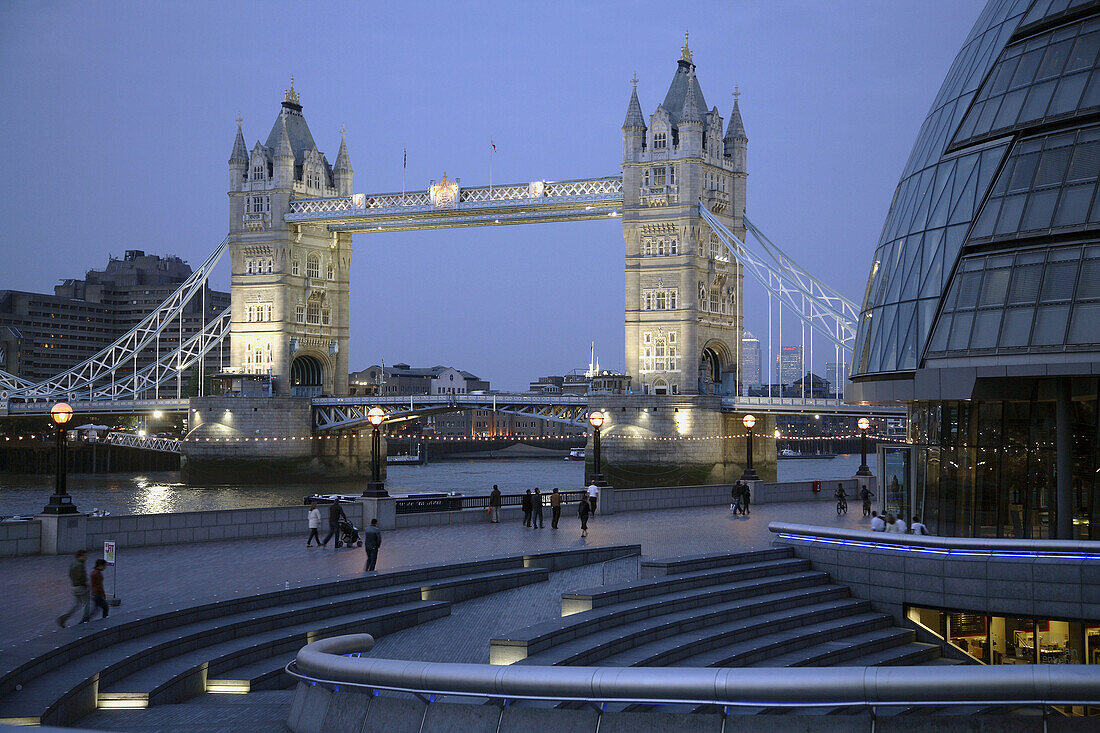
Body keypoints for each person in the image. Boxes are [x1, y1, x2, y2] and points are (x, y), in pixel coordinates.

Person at [57, 549, 91, 627]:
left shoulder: (73, 563)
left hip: (75, 586)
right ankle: (85, 620)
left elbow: (70, 574)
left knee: (76, 605)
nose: (86, 557)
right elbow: (81, 577)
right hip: (81, 587)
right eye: (84, 556)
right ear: (80, 556)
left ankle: (63, 618)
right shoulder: (80, 565)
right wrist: (84, 584)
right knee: (86, 604)